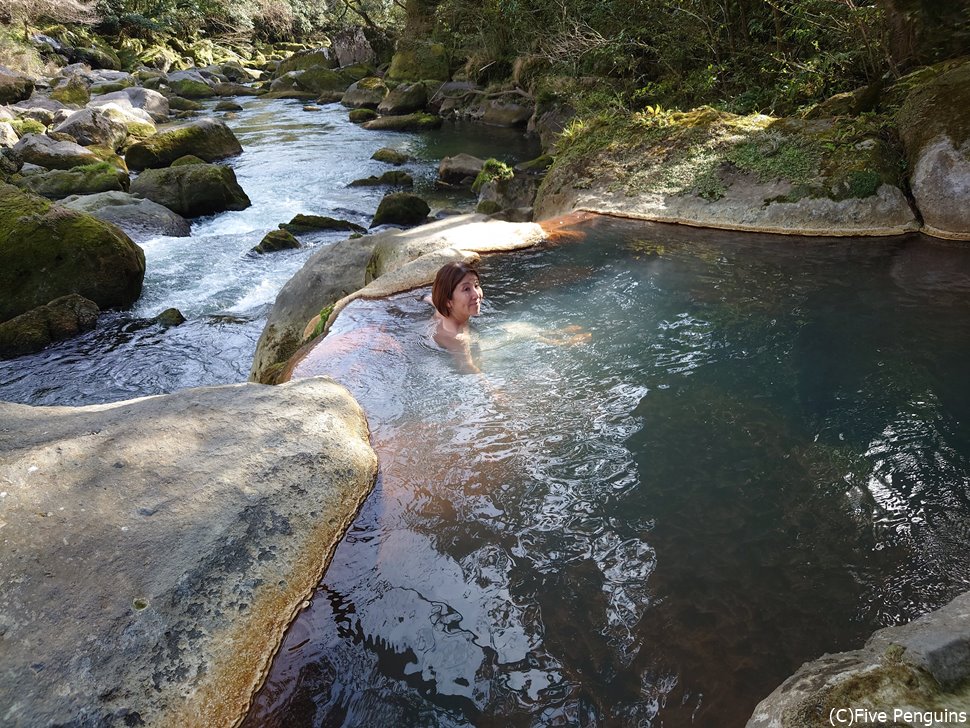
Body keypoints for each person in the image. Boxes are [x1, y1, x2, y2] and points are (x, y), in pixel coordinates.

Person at [430, 261, 484, 373]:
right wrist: (495, 390)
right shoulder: (457, 338)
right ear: (448, 301)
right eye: (466, 289)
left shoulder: (442, 312)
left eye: (476, 285)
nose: (476, 294)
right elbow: (469, 369)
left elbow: (432, 299)